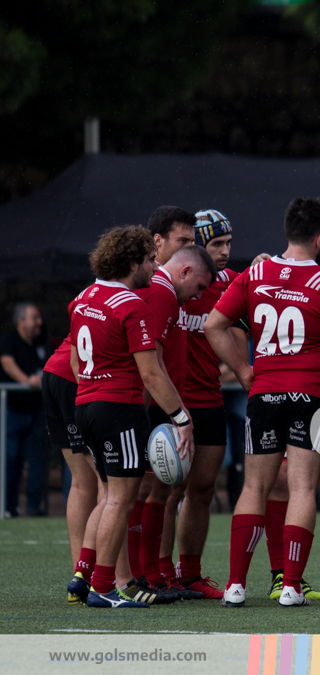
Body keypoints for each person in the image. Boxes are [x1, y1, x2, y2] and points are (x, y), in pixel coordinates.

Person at [207, 197, 320, 608]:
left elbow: (214, 324)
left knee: (255, 486)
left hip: (266, 392)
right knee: (301, 487)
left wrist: (245, 371)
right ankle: (292, 586)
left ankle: (236, 586)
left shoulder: (255, 272)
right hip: (310, 397)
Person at [67, 226, 197, 608]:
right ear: (131, 263)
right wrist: (181, 417)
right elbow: (152, 373)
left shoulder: (83, 297)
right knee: (120, 501)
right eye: (149, 259)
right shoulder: (131, 305)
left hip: (86, 405)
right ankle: (104, 587)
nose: (156, 265)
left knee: (109, 495)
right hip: (118, 409)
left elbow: (76, 359)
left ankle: (88, 576)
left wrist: (94, 389)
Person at [174, 209, 249, 600]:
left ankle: (189, 574)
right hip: (172, 405)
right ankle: (156, 574)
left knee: (202, 490)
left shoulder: (232, 284)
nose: (224, 251)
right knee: (167, 492)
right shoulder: (172, 283)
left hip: (209, 400)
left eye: (228, 243)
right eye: (216, 244)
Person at [131, 207, 201, 602]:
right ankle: (132, 577)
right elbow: (149, 363)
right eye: (182, 241)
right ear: (157, 242)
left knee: (157, 492)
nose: (188, 248)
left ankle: (152, 573)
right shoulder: (158, 290)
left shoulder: (165, 287)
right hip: (148, 404)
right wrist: (163, 412)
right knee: (135, 494)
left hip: (160, 402)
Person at [44, 297, 100, 602]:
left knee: (83, 482)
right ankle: (102, 576)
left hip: (56, 371)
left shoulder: (90, 294)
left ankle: (80, 576)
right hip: (75, 379)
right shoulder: (142, 288)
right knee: (110, 483)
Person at [1, 302, 49, 517]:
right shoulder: (9, 338)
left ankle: (32, 507)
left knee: (35, 460)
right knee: (10, 459)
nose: (39, 322)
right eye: (34, 318)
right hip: (11, 411)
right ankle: (7, 506)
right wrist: (27, 381)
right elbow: (7, 363)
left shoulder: (41, 342)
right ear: (21, 321)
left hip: (37, 413)